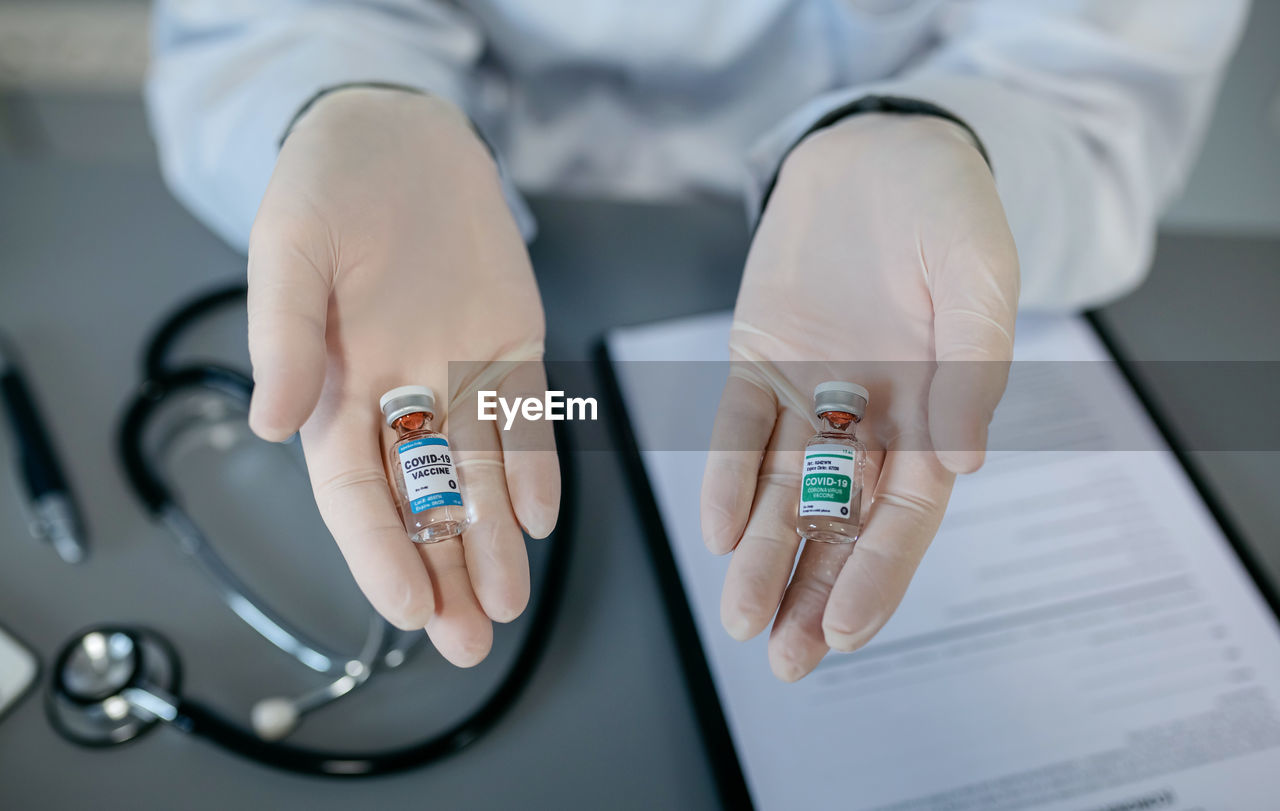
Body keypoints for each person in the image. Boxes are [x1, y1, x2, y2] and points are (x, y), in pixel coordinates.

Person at [146, 0, 1246, 680]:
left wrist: (938, 134)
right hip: (458, 258)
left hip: (852, 274)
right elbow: (253, 25)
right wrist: (343, 102)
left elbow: (1092, 80)